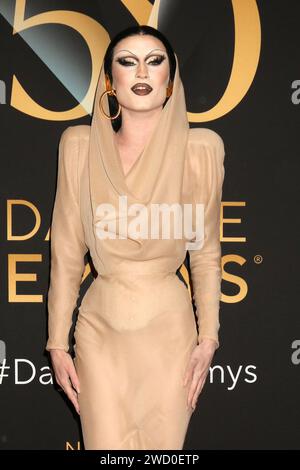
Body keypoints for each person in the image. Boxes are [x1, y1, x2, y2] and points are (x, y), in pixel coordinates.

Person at [45, 25, 225, 450]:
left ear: (170, 79)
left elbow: (205, 253)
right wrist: (56, 341)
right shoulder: (78, 147)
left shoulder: (201, 150)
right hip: (100, 332)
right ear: (110, 79)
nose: (141, 71)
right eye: (127, 61)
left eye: (155, 60)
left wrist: (209, 339)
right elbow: (67, 251)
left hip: (170, 334)